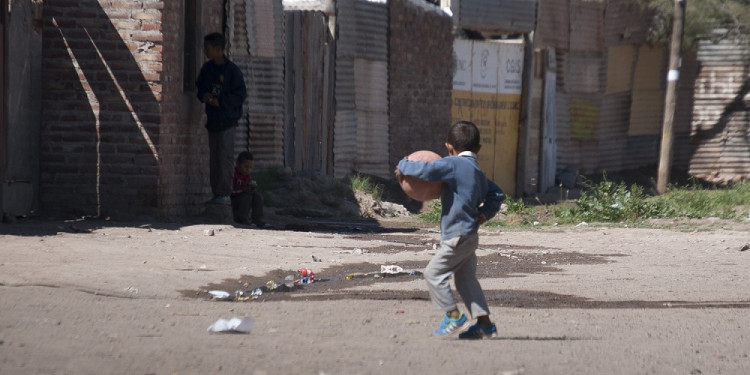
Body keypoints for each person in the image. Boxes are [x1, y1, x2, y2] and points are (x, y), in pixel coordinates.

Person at [394, 121, 505, 339]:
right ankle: (485, 324)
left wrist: (403, 164)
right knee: (465, 280)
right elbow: (497, 194)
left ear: (448, 147)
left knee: (433, 274)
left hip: (457, 236)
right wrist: (485, 213)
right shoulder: (477, 171)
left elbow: (425, 170)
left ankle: (453, 315)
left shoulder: (452, 164)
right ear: (479, 148)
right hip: (470, 235)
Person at [196, 32, 247, 205]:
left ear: (218, 49)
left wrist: (221, 102)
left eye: (208, 48)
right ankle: (216, 193)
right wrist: (205, 96)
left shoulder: (232, 71)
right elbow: (200, 88)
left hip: (227, 122)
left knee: (225, 157)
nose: (205, 51)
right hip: (213, 121)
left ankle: (224, 194)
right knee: (214, 158)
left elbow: (240, 95)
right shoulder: (207, 70)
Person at [231, 151, 267, 227]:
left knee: (257, 196)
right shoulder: (233, 174)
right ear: (238, 164)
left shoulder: (247, 176)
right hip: (234, 200)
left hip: (243, 196)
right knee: (247, 197)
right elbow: (230, 191)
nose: (248, 170)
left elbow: (251, 185)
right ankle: (242, 218)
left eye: (250, 168)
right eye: (246, 167)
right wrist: (242, 190)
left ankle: (258, 220)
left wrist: (253, 189)